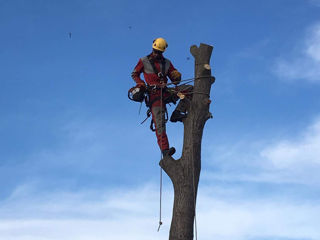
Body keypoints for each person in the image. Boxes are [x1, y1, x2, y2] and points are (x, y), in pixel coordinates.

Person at [131, 38, 192, 156]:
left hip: (166, 92)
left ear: (162, 51)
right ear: (153, 48)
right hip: (154, 95)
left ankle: (177, 113)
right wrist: (141, 83)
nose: (156, 54)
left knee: (190, 90)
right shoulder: (143, 61)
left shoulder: (167, 63)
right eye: (155, 51)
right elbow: (134, 74)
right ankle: (165, 150)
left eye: (158, 52)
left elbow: (175, 80)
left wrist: (176, 77)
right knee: (159, 123)